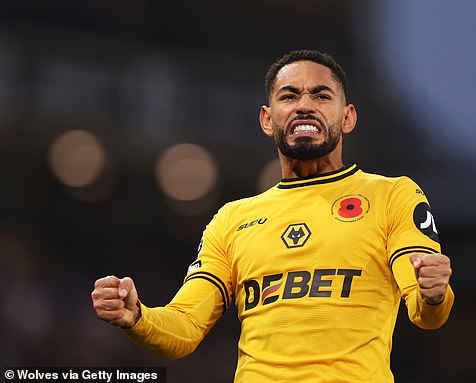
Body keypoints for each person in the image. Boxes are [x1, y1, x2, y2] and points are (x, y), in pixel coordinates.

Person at [91, 50, 454, 383]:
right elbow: (184, 327)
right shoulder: (231, 220)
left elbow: (425, 312)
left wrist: (434, 293)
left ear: (348, 118)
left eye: (321, 95)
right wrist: (137, 317)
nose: (305, 106)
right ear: (267, 119)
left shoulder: (391, 195)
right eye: (289, 96)